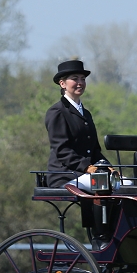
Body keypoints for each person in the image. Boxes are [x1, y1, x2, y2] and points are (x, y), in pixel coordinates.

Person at [45, 60, 106, 189]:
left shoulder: (86, 114)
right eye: (75, 79)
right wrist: (87, 167)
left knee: (126, 184)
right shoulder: (57, 112)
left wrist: (108, 167)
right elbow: (62, 150)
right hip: (64, 175)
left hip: (86, 174)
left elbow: (94, 150)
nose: (80, 83)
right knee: (104, 186)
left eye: (83, 79)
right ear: (62, 84)